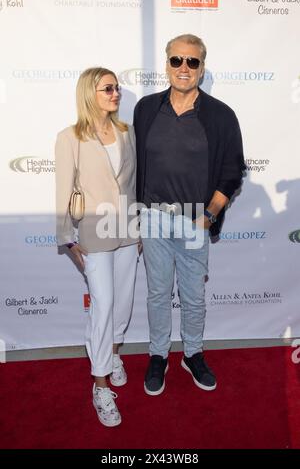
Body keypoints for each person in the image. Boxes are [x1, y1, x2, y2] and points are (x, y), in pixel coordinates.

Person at [134, 34, 245, 396]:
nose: (184, 68)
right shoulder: (146, 108)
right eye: (177, 60)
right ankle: (158, 355)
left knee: (194, 295)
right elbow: (136, 165)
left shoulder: (222, 115)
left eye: (192, 62)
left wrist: (209, 215)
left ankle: (193, 353)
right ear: (166, 65)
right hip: (153, 218)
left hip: (196, 218)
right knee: (157, 293)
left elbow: (231, 172)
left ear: (202, 67)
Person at [55, 67, 138, 426]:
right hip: (92, 233)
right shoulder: (69, 137)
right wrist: (66, 237)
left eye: (117, 88)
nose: (115, 93)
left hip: (128, 231)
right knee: (102, 305)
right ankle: (100, 382)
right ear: (90, 92)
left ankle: (114, 354)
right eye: (108, 88)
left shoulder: (127, 132)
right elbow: (62, 189)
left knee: (123, 302)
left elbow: (134, 185)